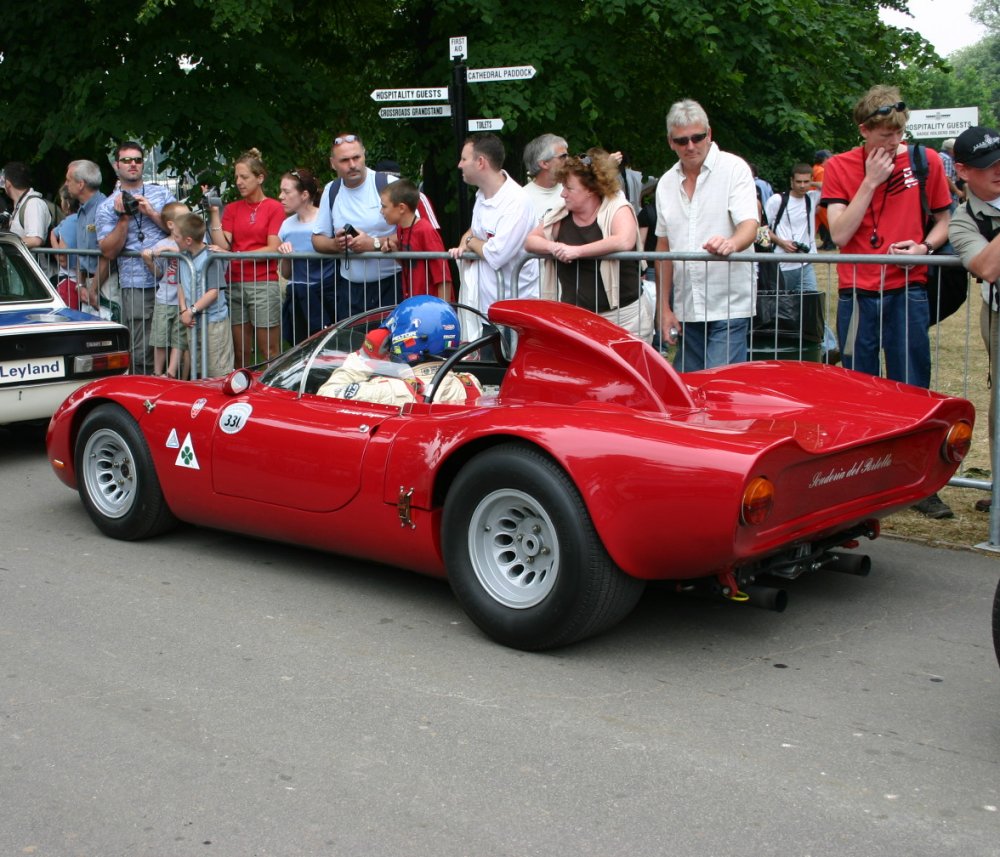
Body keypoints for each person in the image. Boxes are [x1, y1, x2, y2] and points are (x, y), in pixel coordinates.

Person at [821, 85, 953, 519]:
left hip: (908, 287)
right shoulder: (840, 167)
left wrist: (927, 248)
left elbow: (943, 217)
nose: (893, 142)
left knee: (912, 384)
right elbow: (840, 235)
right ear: (864, 131)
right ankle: (858, 481)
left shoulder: (925, 161)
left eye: (898, 133)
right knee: (858, 386)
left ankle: (920, 483)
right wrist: (871, 181)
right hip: (859, 292)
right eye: (883, 135)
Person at [653, 99, 759, 370]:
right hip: (688, 306)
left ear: (709, 134)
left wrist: (731, 243)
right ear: (670, 142)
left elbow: (749, 224)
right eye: (681, 140)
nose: (690, 146)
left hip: (728, 303)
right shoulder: (665, 184)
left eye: (697, 137)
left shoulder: (734, 169)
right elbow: (663, 249)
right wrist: (663, 309)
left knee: (718, 388)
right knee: (689, 388)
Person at [525, 149, 652, 341]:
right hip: (577, 318)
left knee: (628, 370)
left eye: (569, 188)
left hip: (624, 317)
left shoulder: (617, 207)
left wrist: (577, 251)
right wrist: (553, 247)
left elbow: (624, 240)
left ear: (591, 189)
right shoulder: (560, 214)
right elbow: (530, 240)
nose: (563, 194)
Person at [947, 126, 1000, 512]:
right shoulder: (963, 220)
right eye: (989, 165)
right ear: (963, 171)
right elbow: (986, 265)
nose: (999, 169)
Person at [448, 134, 539, 338]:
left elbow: (496, 254)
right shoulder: (482, 195)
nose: (459, 165)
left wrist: (470, 242)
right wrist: (466, 243)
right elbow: (474, 231)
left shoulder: (516, 202)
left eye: (464, 159)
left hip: (515, 316)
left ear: (481, 162)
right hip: (487, 314)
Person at [96, 141, 176, 374]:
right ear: (116, 165)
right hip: (136, 285)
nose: (133, 164)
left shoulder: (162, 194)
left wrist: (151, 212)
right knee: (142, 349)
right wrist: (124, 218)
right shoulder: (107, 206)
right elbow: (108, 251)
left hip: (171, 282)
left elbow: (183, 231)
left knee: (175, 342)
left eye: (137, 160)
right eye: (127, 160)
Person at [317, 296, 483, 405]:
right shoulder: (470, 383)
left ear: (405, 338)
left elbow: (325, 395)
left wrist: (364, 356)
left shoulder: (390, 390)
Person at [311, 133, 401, 322]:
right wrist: (337, 245)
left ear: (364, 155)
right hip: (349, 290)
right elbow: (317, 239)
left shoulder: (389, 185)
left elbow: (414, 234)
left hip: (391, 285)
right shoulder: (332, 190)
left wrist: (373, 243)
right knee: (353, 348)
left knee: (390, 348)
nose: (352, 165)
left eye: (356, 157)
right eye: (344, 160)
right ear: (332, 163)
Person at [207, 148, 284, 365]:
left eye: (244, 177)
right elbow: (222, 245)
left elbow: (272, 248)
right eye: (236, 177)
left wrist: (235, 255)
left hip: (263, 283)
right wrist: (214, 214)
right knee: (240, 351)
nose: (239, 182)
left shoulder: (274, 207)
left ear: (260, 178)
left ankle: (272, 393)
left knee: (269, 349)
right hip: (235, 283)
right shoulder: (232, 208)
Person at [277, 168, 336, 344]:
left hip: (326, 296)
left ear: (304, 195)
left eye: (286, 192)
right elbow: (286, 273)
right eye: (281, 191)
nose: (281, 196)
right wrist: (286, 255)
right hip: (298, 299)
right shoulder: (286, 226)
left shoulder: (326, 219)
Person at [175, 212, 235, 379]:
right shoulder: (182, 257)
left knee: (218, 371)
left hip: (213, 322)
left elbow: (214, 291)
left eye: (176, 236)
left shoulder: (210, 257)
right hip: (192, 321)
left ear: (188, 240)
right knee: (199, 368)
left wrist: (191, 310)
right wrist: (183, 311)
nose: (174, 240)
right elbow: (180, 284)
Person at [380, 179, 452, 300]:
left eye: (384, 206)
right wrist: (395, 253)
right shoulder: (401, 229)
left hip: (431, 305)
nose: (381, 211)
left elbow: (443, 277)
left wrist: (442, 313)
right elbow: (412, 264)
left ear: (402, 208)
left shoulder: (425, 230)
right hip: (415, 302)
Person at [142, 201, 190, 379]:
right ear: (171, 224)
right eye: (184, 217)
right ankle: (157, 371)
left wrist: (175, 251)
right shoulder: (160, 244)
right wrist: (149, 261)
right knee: (160, 337)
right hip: (164, 298)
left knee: (179, 339)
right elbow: (159, 273)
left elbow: (193, 254)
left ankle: (170, 372)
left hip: (182, 301)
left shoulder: (188, 242)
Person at [64, 159, 109, 313]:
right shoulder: (82, 211)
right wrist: (81, 285)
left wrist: (93, 288)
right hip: (89, 285)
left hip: (105, 284)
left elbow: (107, 254)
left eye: (69, 180)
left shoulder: (104, 209)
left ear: (81, 184)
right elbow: (81, 251)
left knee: (105, 334)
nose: (66, 184)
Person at [3, 162, 55, 280]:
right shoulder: (22, 204)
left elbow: (35, 239)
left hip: (38, 279)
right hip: (27, 277)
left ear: (7, 183)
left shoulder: (33, 204)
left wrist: (7, 245)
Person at [522, 134, 569, 223]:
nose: (568, 160)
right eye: (563, 156)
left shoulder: (572, 191)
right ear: (544, 163)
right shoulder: (522, 198)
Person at [51, 185, 81, 309]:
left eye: (62, 200)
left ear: (67, 204)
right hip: (85, 282)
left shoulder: (68, 222)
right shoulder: (85, 217)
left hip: (69, 282)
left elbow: (63, 260)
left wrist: (56, 248)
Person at [812, 149, 836, 250]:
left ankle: (827, 242)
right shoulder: (821, 170)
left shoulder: (815, 168)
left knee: (822, 222)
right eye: (829, 158)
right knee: (827, 222)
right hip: (821, 199)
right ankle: (830, 243)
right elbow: (823, 185)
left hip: (818, 200)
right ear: (824, 159)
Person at [940, 138, 963, 211]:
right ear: (950, 149)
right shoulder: (947, 159)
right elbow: (946, 177)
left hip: (941, 191)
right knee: (953, 215)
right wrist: (957, 191)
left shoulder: (939, 155)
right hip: (948, 192)